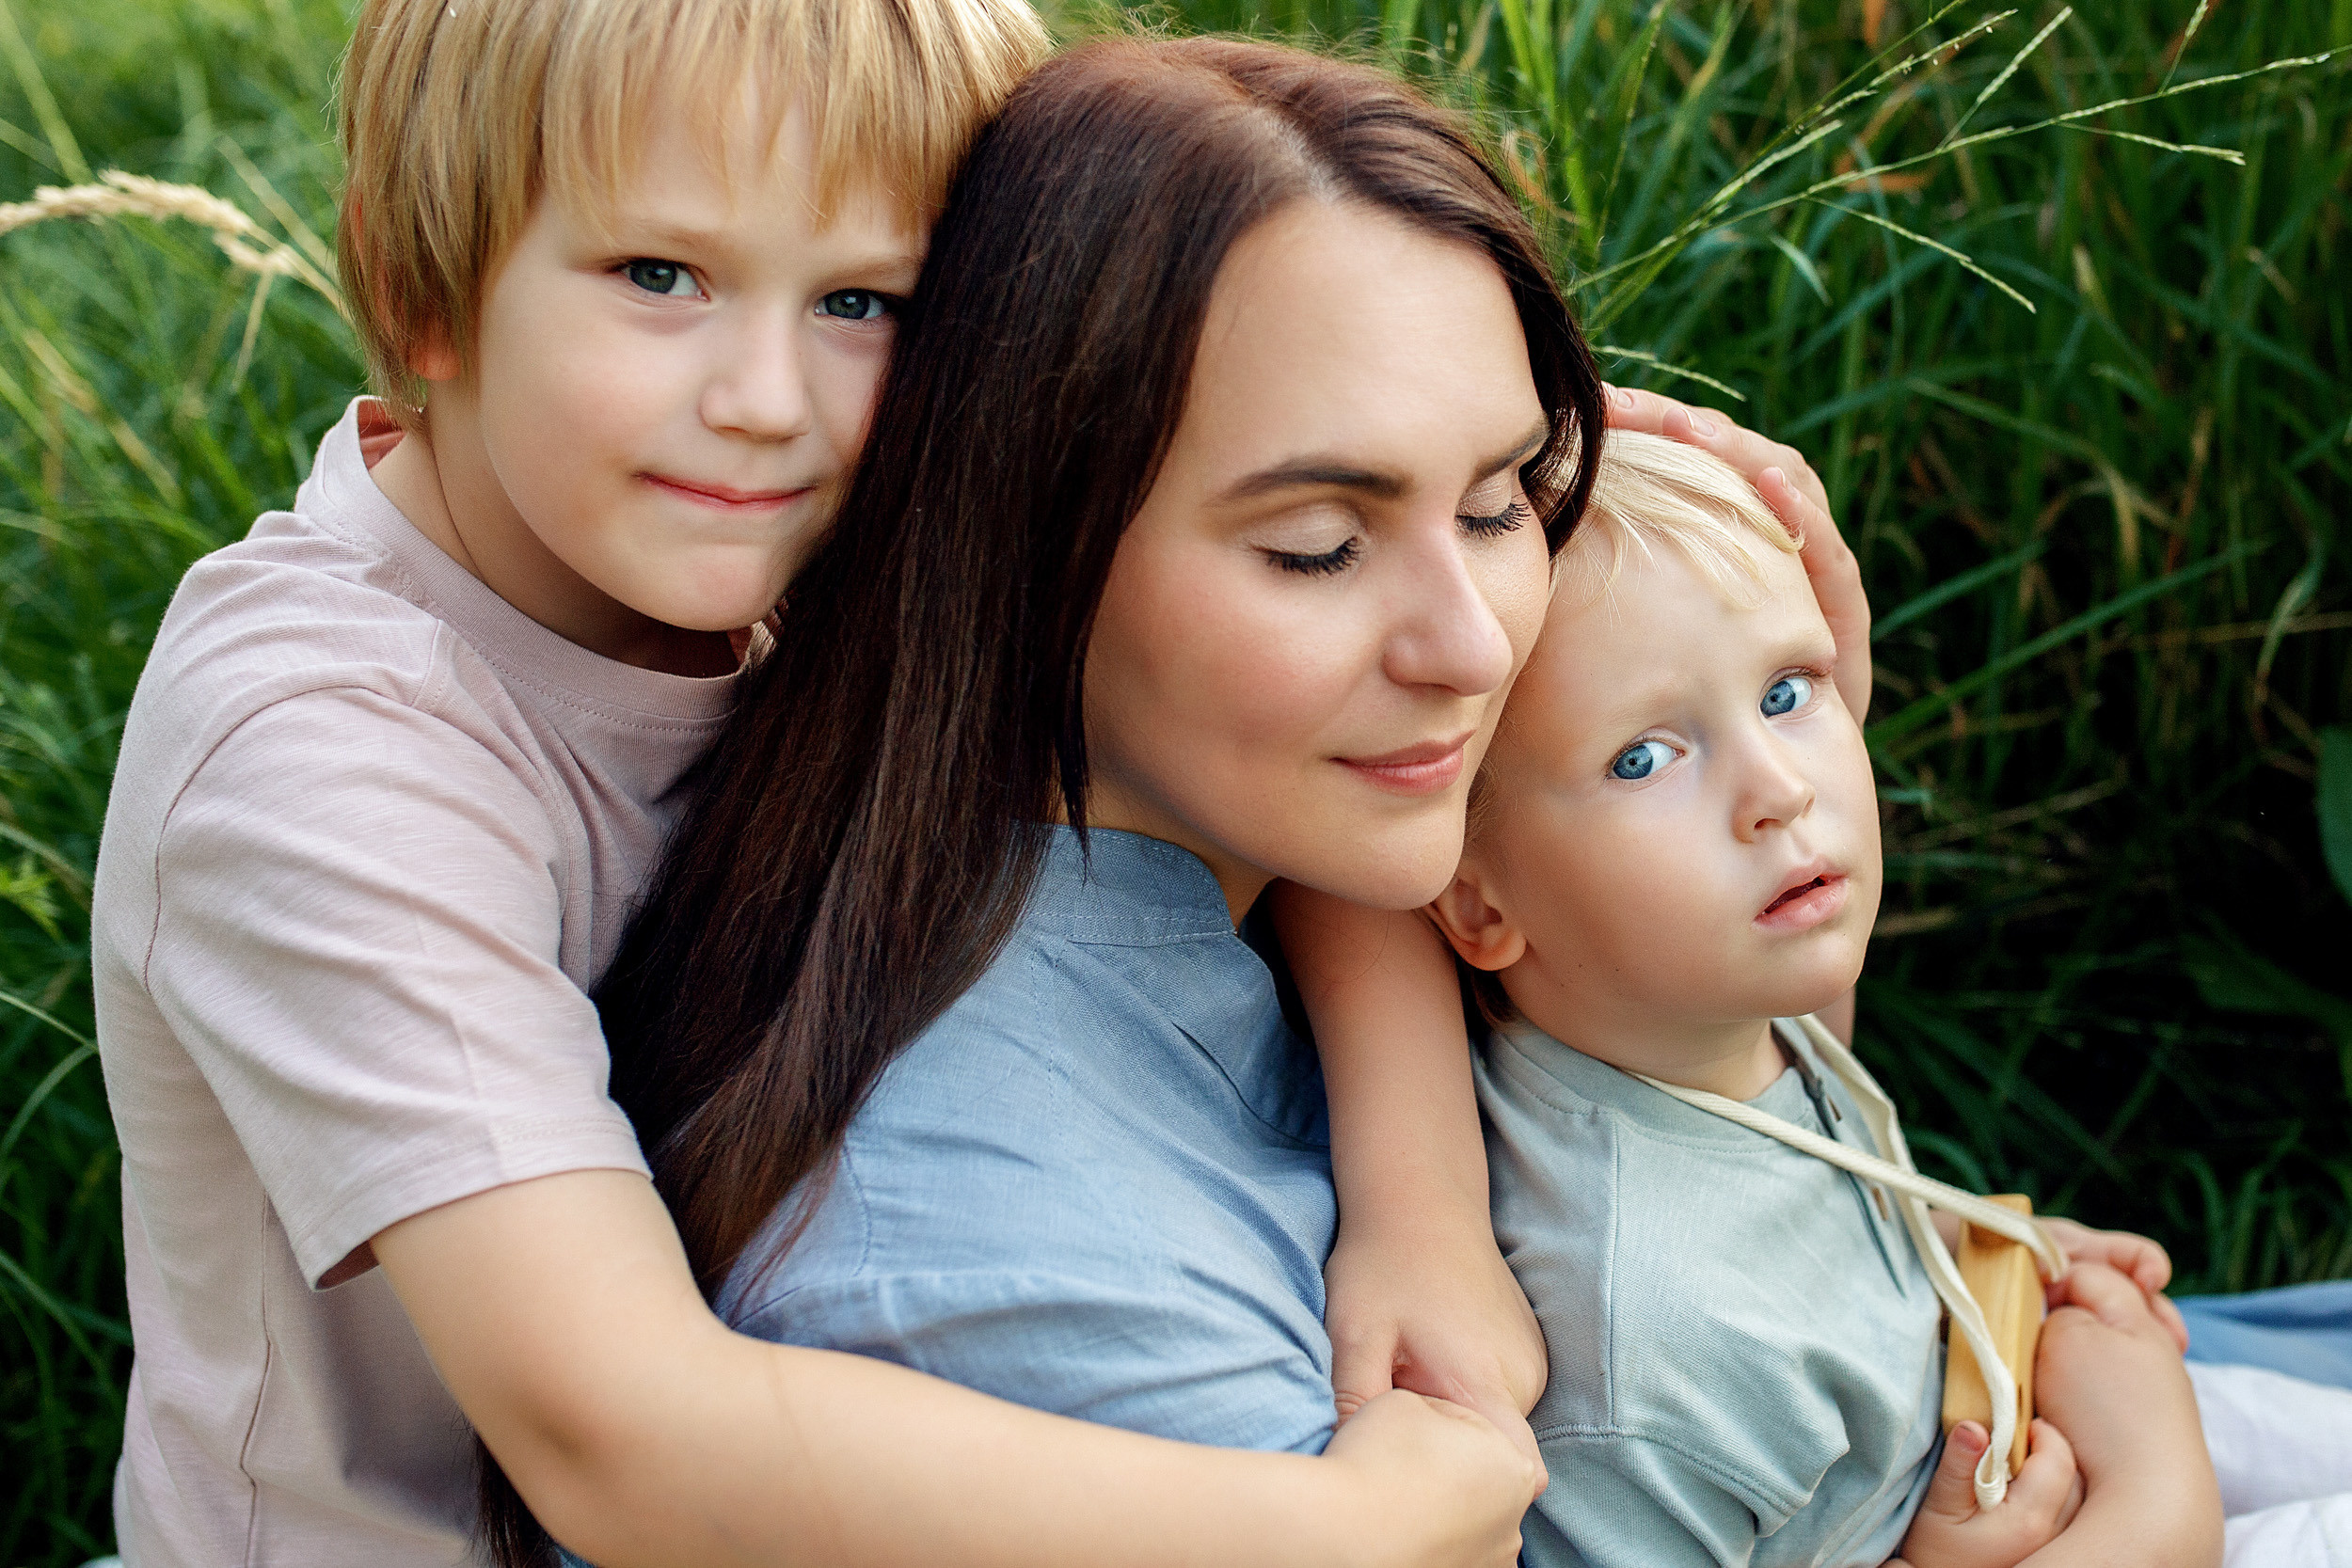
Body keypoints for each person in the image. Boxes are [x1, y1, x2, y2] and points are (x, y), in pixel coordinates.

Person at [88, 4, 1551, 1565]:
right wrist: (1332, 1532)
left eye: (865, 297)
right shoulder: (321, 742)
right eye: (660, 276)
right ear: (417, 285)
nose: (766, 398)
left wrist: (1423, 1208)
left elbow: (1326, 748)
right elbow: (622, 1434)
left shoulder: (768, 522)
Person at [591, 30, 1828, 1535]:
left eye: (1503, 500)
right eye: (1318, 545)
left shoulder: (1231, 850)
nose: (1473, 642)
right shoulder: (1040, 1288)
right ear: (1025, 545)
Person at [1295, 428, 2352, 1567]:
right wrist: (2152, 1461)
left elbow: (1803, 1222)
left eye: (1790, 689)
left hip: (1988, 1416)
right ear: (1475, 902)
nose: (1780, 788)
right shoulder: (1648, 1360)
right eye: (1644, 757)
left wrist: (1991, 1243)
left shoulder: (1696, 1016)